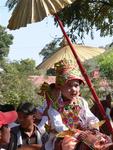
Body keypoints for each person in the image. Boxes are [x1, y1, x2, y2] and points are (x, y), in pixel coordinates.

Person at [47, 59, 112, 150]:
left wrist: (94, 127)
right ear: (60, 87)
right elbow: (59, 126)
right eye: (69, 85)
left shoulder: (81, 101)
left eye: (76, 85)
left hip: (85, 134)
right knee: (69, 146)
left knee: (104, 140)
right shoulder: (54, 106)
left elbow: (90, 117)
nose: (74, 89)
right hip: (64, 136)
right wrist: (76, 133)